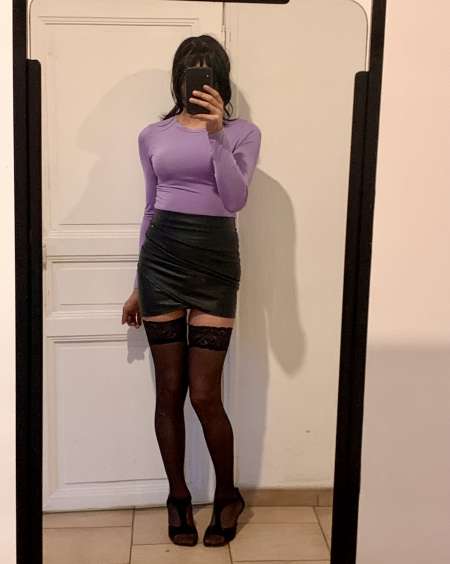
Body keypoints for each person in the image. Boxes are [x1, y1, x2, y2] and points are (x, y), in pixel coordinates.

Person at [121, 34, 261, 547]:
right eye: (189, 69)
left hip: (215, 263)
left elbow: (235, 198)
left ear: (220, 79)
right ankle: (177, 496)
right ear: (178, 77)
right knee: (168, 392)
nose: (196, 79)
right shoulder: (152, 135)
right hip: (160, 262)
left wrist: (217, 135)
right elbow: (150, 206)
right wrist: (137, 285)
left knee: (204, 394)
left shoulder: (242, 133)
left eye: (207, 70)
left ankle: (227, 494)